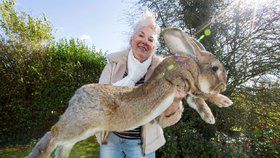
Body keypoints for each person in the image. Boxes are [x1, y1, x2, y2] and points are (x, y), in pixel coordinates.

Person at [96, 9, 187, 158]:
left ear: (154, 48)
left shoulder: (162, 72)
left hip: (141, 143)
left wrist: (175, 100)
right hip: (111, 139)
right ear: (131, 40)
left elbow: (164, 120)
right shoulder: (114, 64)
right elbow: (100, 99)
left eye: (151, 40)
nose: (145, 41)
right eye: (141, 35)